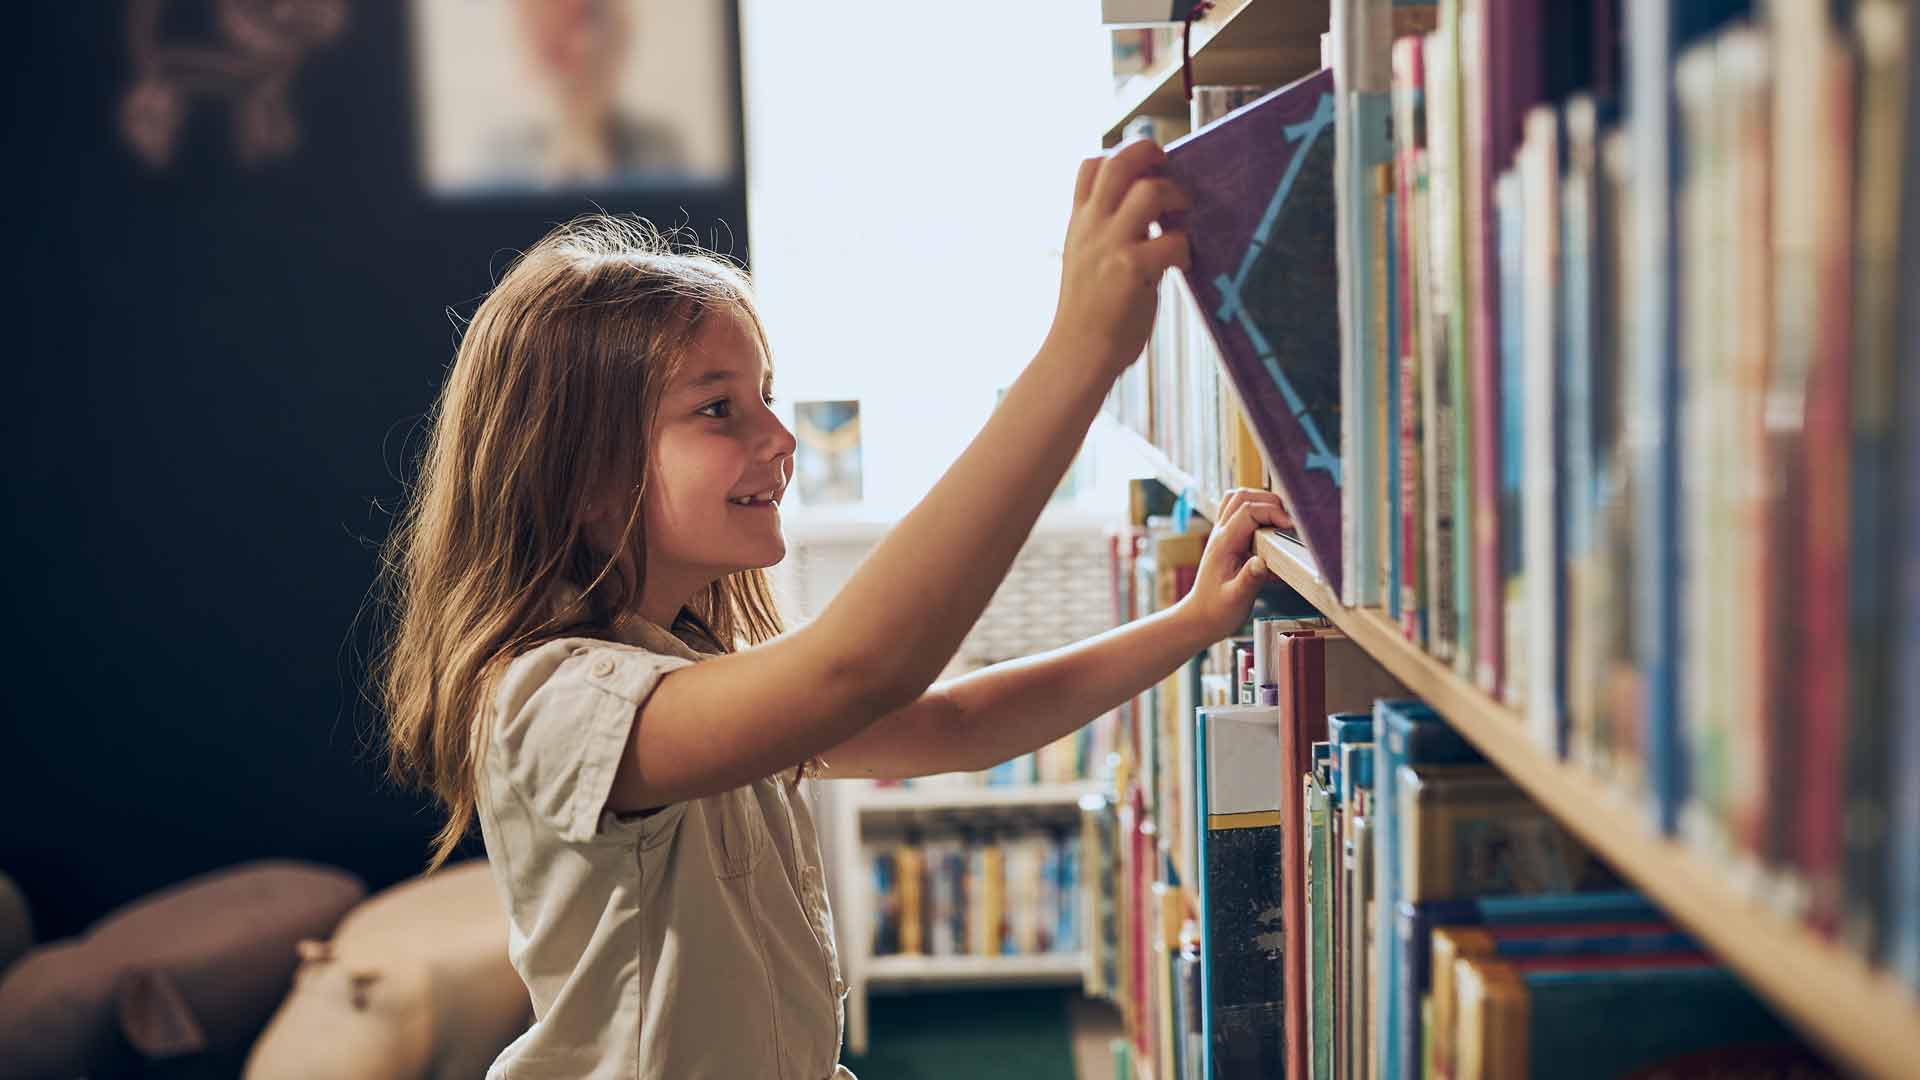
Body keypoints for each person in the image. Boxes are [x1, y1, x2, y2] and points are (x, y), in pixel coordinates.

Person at [376, 138, 1291, 1079]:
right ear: (580, 475)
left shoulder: (693, 671)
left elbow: (958, 723)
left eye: (764, 398)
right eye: (717, 410)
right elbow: (859, 669)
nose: (779, 437)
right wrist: (1080, 353)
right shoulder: (552, 702)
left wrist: (1189, 623)